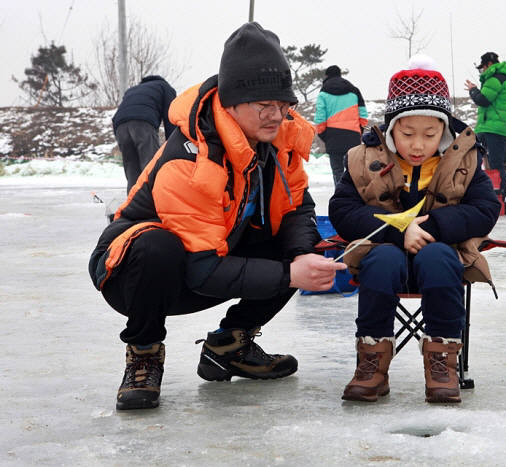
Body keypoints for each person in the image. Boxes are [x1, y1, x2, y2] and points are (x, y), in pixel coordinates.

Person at [89, 22, 347, 411]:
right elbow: (199, 269)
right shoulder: (190, 159)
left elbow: (297, 206)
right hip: (133, 272)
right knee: (158, 247)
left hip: (211, 253)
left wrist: (299, 255)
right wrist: (290, 276)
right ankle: (144, 353)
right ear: (231, 103)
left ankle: (229, 344)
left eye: (283, 105)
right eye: (265, 106)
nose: (277, 116)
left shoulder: (279, 139)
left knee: (298, 245)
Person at [329, 58, 501, 403]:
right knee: (383, 260)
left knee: (438, 256)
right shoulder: (362, 159)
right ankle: (371, 364)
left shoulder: (465, 159)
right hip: (383, 255)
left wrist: (435, 227)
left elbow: (486, 208)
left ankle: (442, 364)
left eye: (430, 134)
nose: (418, 145)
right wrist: (399, 231)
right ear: (391, 128)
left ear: (445, 130)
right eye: (408, 134)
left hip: (442, 258)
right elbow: (342, 210)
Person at [464, 52, 506, 214]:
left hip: (492, 127)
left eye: (482, 67)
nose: (482, 71)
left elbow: (483, 100)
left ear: (487, 65)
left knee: (488, 162)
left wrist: (473, 90)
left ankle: (496, 198)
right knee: (496, 163)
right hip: (497, 127)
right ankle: (499, 197)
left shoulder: (494, 78)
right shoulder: (505, 78)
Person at [112, 75, 177, 192]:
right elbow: (171, 116)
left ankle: (133, 203)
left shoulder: (132, 90)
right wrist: (172, 144)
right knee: (151, 165)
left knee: (132, 169)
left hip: (120, 126)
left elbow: (120, 112)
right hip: (143, 123)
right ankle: (154, 201)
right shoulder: (164, 87)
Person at [314, 65, 368, 186]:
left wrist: (324, 135)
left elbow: (320, 117)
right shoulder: (354, 90)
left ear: (327, 76)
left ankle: (340, 198)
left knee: (337, 171)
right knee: (354, 171)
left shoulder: (323, 93)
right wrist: (358, 131)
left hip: (333, 136)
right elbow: (363, 115)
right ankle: (355, 199)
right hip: (353, 136)